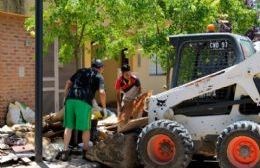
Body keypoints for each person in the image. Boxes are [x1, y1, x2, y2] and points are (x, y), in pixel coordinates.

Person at [61, 59, 106, 161]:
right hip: (84, 101)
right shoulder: (99, 76)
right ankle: (86, 152)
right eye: (103, 68)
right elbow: (102, 92)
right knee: (86, 128)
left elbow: (68, 83)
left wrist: (65, 97)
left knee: (68, 127)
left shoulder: (81, 71)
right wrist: (104, 107)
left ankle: (64, 152)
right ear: (100, 68)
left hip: (70, 99)